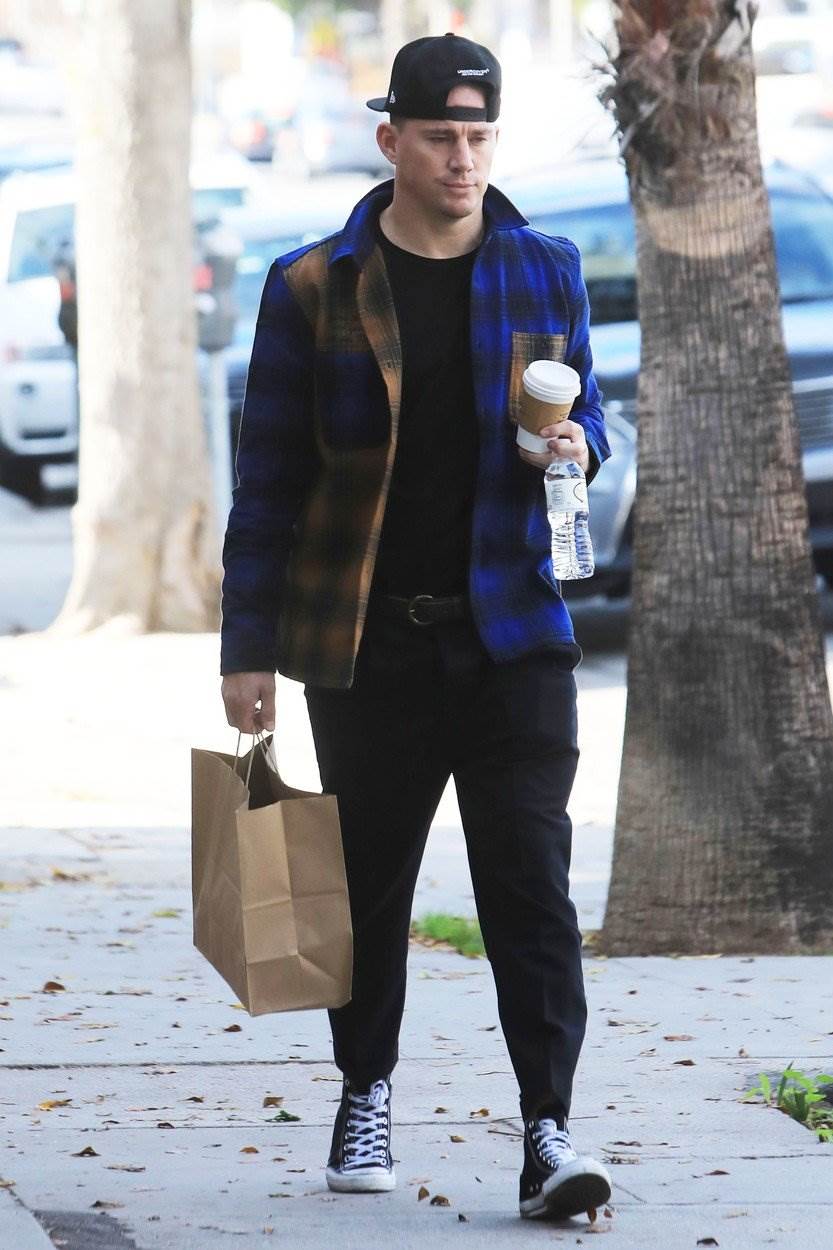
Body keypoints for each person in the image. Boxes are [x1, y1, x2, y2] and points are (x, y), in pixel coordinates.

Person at [220, 32, 613, 1222]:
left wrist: (576, 442)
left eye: (478, 135)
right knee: (363, 886)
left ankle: (547, 1129)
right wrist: (246, 648)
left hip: (513, 633)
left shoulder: (543, 268)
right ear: (390, 138)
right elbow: (268, 479)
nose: (461, 158)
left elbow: (591, 416)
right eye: (439, 135)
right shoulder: (312, 285)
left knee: (529, 885)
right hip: (370, 642)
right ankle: (364, 1088)